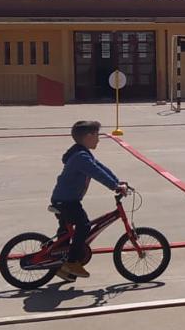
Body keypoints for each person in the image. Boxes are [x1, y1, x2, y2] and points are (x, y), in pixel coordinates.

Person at [51, 120, 128, 280]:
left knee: (66, 232)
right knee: (84, 226)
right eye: (97, 136)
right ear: (88, 136)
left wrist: (117, 181)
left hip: (64, 198)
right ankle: (72, 261)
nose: (98, 139)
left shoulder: (82, 153)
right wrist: (114, 186)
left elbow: (101, 168)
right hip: (66, 201)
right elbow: (96, 173)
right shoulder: (81, 157)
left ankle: (61, 267)